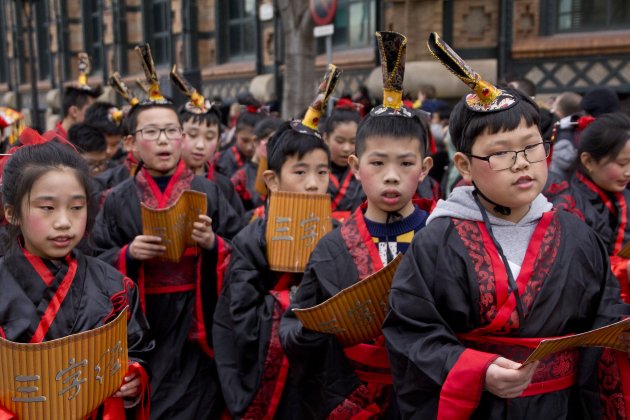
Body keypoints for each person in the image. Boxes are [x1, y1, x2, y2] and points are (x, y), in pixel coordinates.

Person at [382, 32, 630, 419]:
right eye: (500, 153)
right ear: (463, 165)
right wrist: (475, 368)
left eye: (532, 147)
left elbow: (606, 318)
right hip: (476, 405)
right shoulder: (436, 241)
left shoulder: (578, 234)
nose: (521, 162)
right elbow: (410, 330)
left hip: (559, 407)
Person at [280, 32, 434, 418]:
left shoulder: (441, 236)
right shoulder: (331, 246)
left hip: (427, 393)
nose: (392, 177)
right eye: (378, 163)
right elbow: (291, 327)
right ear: (354, 167)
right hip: (346, 395)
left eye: (406, 164)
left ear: (426, 169)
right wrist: (311, 330)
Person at [91, 44, 242, 419]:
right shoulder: (114, 199)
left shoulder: (212, 191)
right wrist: (127, 255)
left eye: (171, 131)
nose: (163, 140)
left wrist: (215, 245)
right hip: (144, 319)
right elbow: (93, 261)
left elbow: (244, 251)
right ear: (130, 143)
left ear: (183, 137)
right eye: (152, 131)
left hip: (199, 318)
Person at [213, 65, 339, 419]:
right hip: (271, 370)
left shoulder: (338, 232)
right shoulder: (251, 238)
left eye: (322, 172)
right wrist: (295, 301)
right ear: (272, 179)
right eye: (300, 172)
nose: (314, 183)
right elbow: (241, 313)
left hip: (324, 366)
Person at [0, 134, 153, 419]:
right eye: (47, 208)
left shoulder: (115, 287)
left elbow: (136, 349)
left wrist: (134, 377)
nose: (63, 222)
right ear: (12, 213)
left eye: (76, 207)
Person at [547, 112, 630, 303]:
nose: (628, 172)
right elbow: (574, 269)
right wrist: (624, 269)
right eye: (622, 163)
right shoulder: (568, 205)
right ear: (588, 161)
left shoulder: (624, 196)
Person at [170, 66, 245, 219]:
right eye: (192, 134)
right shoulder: (162, 179)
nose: (200, 145)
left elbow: (237, 231)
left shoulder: (224, 186)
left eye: (209, 137)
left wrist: (212, 241)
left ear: (218, 142)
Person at [231, 116, 283, 214]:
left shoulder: (283, 174)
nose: (275, 150)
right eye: (271, 143)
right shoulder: (240, 178)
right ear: (256, 141)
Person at [322, 101, 365, 222]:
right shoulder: (314, 172)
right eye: (340, 141)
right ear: (326, 138)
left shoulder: (364, 174)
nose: (346, 148)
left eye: (353, 142)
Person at [45, 53, 102, 140]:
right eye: (90, 111)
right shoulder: (51, 143)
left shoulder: (87, 139)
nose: (94, 116)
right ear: (74, 111)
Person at [216, 92, 267, 178]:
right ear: (235, 133)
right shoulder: (221, 162)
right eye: (245, 140)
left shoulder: (267, 162)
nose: (249, 147)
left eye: (255, 141)